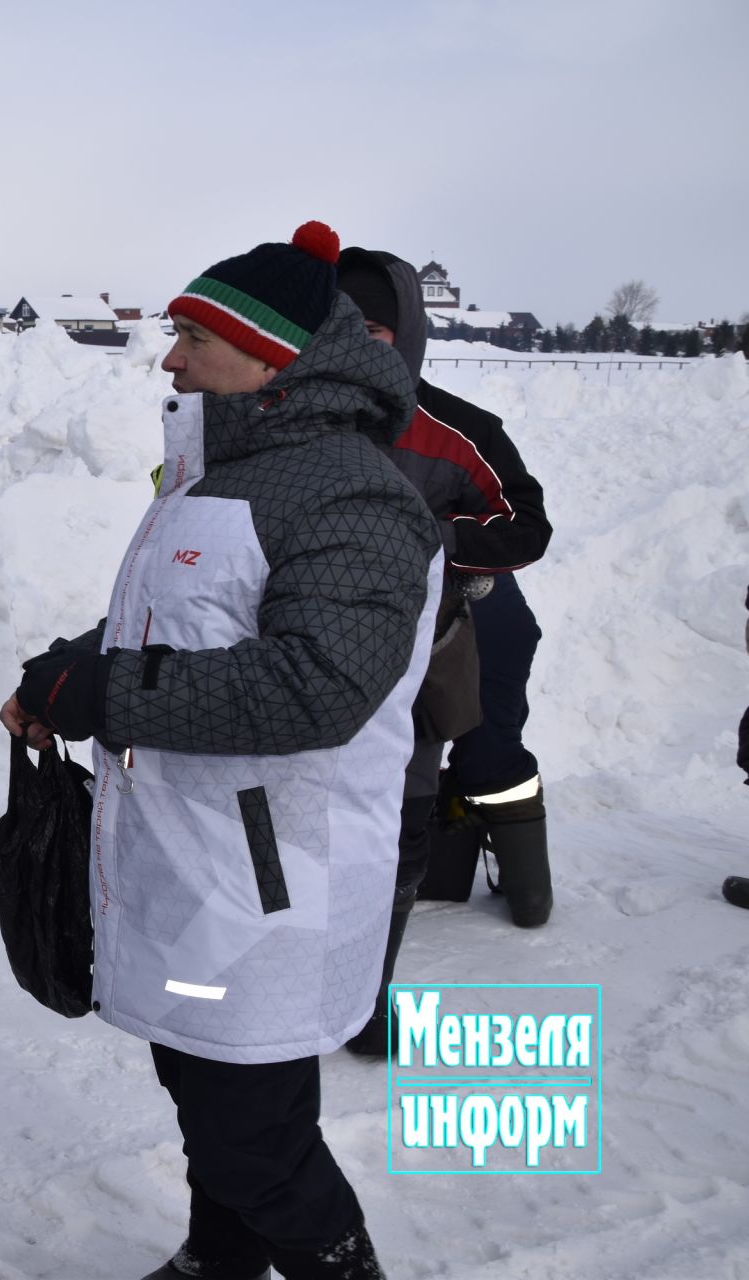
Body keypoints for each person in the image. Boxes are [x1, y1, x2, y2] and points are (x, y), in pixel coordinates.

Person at [1, 224, 439, 1280]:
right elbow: (181, 625)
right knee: (204, 1083)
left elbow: (316, 684)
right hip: (191, 875)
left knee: (256, 1130)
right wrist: (64, 670)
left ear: (269, 357)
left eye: (193, 334)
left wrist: (107, 694)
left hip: (268, 897)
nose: (169, 355)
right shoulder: (215, 473)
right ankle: (219, 1259)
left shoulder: (352, 494)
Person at [332, 247, 554, 1054]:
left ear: (410, 335)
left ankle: (367, 998)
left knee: (399, 829)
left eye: (377, 328)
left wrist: (426, 538)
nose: (358, 341)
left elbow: (525, 528)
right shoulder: (285, 415)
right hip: (302, 672)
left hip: (418, 675)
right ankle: (289, 980)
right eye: (341, 324)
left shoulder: (459, 431)